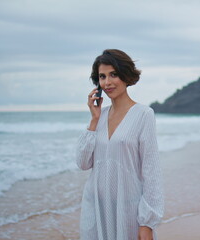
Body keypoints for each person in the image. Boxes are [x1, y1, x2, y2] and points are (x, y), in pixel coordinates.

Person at [75, 49, 164, 240]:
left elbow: (151, 170)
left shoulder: (143, 114)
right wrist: (93, 120)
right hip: (96, 208)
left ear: (125, 75)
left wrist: (147, 222)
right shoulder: (99, 117)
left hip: (128, 209)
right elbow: (82, 163)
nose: (107, 82)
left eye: (113, 74)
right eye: (102, 76)